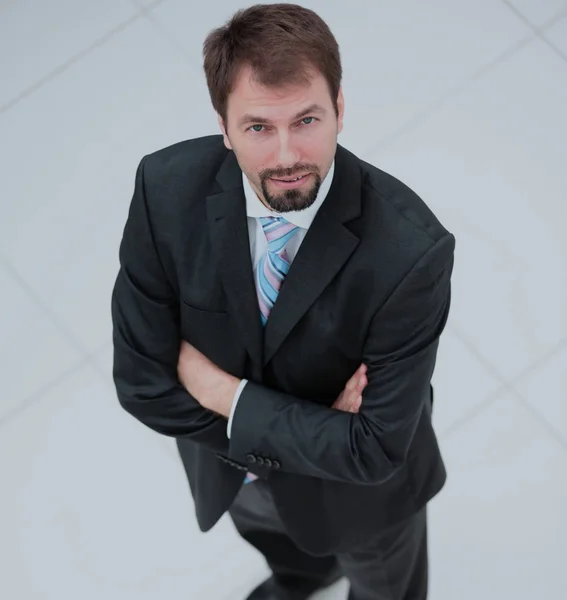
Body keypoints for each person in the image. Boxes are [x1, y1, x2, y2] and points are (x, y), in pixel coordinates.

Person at [111, 4, 456, 599]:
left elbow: (372, 450)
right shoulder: (165, 192)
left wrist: (220, 392)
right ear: (223, 125)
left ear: (340, 109)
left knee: (386, 588)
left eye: (307, 120)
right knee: (285, 556)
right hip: (234, 477)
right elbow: (143, 385)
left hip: (364, 503)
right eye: (258, 128)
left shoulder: (411, 252)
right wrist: (317, 431)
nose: (286, 156)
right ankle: (302, 580)